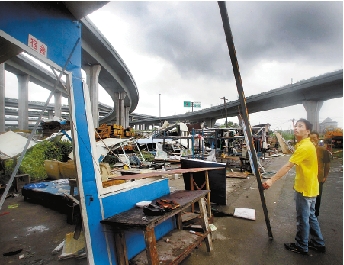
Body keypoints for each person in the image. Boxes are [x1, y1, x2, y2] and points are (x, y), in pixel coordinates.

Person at [262, 118, 326, 255]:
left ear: (307, 131)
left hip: (304, 188)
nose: (296, 128)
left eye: (300, 126)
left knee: (303, 219)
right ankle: (318, 242)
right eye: (296, 126)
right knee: (311, 216)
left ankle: (301, 245)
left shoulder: (304, 147)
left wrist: (271, 180)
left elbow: (287, 166)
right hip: (312, 187)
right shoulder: (306, 144)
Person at [310, 131, 331, 217]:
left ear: (318, 139)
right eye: (310, 139)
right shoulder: (306, 149)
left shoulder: (322, 150)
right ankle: (308, 215)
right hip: (309, 178)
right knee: (308, 198)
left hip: (319, 178)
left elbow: (327, 164)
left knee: (317, 198)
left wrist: (325, 176)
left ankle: (315, 216)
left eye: (314, 138)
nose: (312, 140)